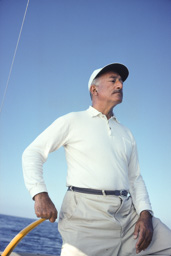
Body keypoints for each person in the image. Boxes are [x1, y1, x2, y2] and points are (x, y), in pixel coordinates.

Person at [22, 63, 171, 256]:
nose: (120, 85)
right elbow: (33, 152)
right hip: (85, 217)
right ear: (94, 89)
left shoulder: (127, 134)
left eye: (121, 81)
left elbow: (135, 179)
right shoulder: (72, 120)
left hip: (127, 217)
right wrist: (40, 194)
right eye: (113, 80)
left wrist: (146, 215)